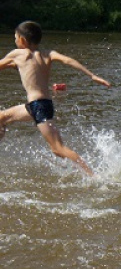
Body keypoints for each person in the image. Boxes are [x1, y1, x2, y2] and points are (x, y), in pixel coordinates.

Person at [0, 21, 111, 176]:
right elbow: (68, 60)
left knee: (58, 149)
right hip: (39, 105)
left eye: (15, 38)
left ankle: (93, 176)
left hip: (38, 106)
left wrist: (11, 64)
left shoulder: (18, 54)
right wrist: (92, 75)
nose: (14, 41)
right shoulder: (48, 54)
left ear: (22, 40)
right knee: (2, 117)